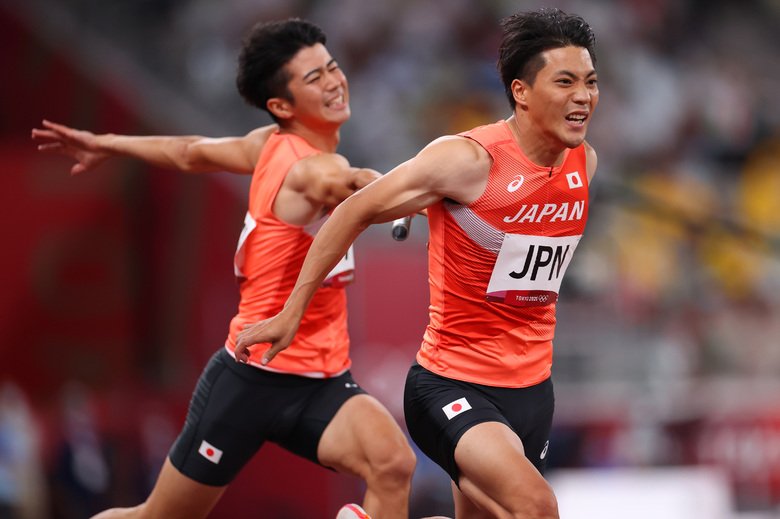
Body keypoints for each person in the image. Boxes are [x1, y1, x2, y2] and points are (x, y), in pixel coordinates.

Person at [32, 18, 417, 519]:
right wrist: (399, 187)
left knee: (393, 464)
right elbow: (352, 183)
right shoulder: (313, 169)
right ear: (281, 105)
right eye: (314, 78)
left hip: (321, 382)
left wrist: (109, 142)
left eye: (333, 67)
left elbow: (190, 152)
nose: (334, 82)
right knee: (157, 517)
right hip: (250, 379)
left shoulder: (268, 145)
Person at [234, 8, 599, 519]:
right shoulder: (467, 161)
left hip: (535, 391)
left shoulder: (585, 161)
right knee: (537, 509)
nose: (583, 95)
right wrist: (292, 311)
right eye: (565, 81)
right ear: (521, 91)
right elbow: (352, 211)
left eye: (590, 81)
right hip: (453, 385)